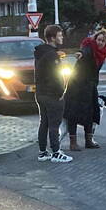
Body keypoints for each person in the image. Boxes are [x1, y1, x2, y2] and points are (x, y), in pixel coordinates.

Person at [63, 31, 106, 150]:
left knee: (91, 112)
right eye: (98, 40)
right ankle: (73, 142)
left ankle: (89, 140)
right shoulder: (89, 47)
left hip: (90, 85)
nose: (100, 42)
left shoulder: (102, 53)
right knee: (73, 112)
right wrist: (80, 54)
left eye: (103, 41)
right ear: (95, 39)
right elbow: (84, 52)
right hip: (77, 85)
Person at [34, 25, 73, 163]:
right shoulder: (52, 55)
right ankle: (56, 152)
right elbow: (56, 76)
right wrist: (61, 92)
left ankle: (43, 152)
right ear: (52, 38)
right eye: (60, 35)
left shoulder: (40, 53)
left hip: (41, 93)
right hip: (52, 94)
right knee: (54, 124)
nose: (62, 37)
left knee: (44, 122)